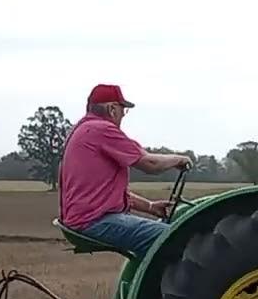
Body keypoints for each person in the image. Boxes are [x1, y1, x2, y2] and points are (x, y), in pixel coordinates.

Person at [57, 83, 191, 256]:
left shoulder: (83, 130)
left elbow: (104, 193)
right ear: (112, 109)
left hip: (86, 220)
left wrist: (150, 207)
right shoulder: (101, 129)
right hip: (95, 222)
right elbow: (150, 164)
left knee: (156, 248)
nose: (123, 115)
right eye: (123, 110)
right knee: (175, 237)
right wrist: (179, 159)